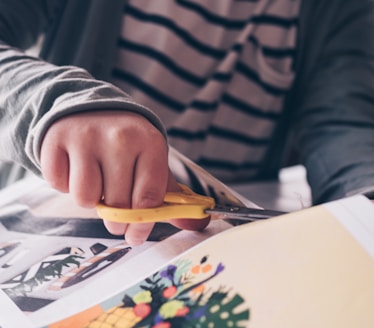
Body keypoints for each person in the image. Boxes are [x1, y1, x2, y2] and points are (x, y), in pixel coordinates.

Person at [0, 0, 373, 246]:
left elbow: (345, 128)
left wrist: (364, 200)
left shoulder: (341, 9)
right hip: (51, 233)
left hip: (226, 251)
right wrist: (56, 104)